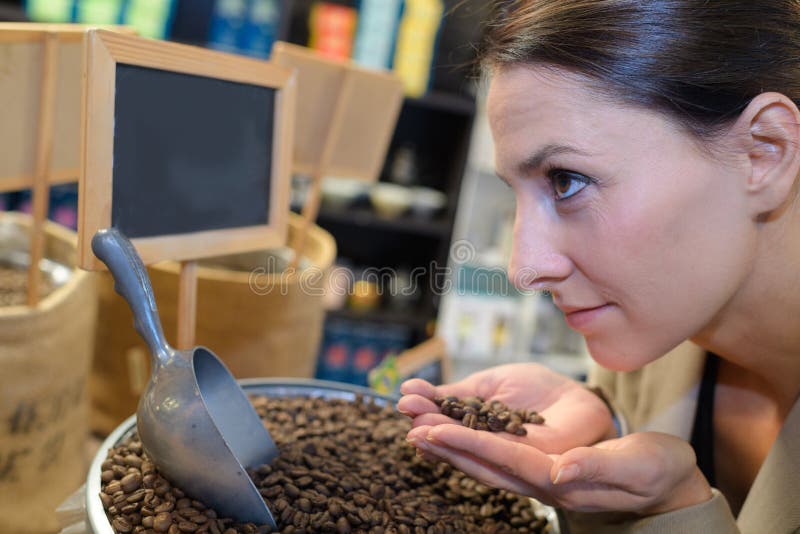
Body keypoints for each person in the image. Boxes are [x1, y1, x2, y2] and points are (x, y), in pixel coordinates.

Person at [397, 1, 800, 532]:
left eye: (567, 181)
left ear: (763, 151)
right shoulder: (649, 340)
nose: (525, 269)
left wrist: (675, 511)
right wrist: (606, 430)